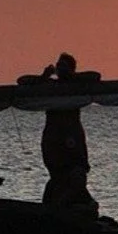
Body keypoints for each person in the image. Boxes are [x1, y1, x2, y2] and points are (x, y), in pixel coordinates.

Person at [40, 51, 92, 195]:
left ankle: (79, 202)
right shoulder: (50, 86)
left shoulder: (77, 86)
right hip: (53, 138)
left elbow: (95, 76)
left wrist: (71, 76)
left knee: (77, 172)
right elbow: (23, 81)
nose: (60, 69)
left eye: (63, 66)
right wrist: (44, 76)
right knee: (57, 176)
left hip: (72, 136)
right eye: (58, 66)